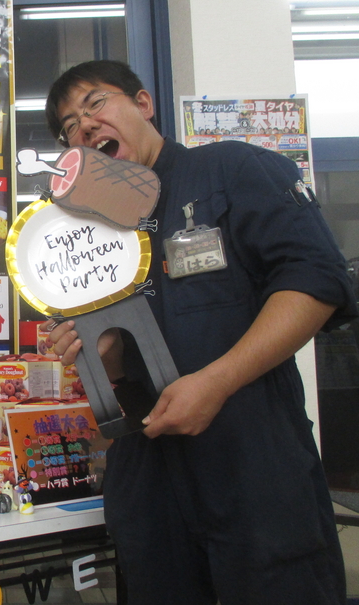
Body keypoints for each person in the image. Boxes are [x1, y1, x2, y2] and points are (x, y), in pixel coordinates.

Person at [42, 60, 356, 604]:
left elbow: (316, 280)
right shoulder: (91, 234)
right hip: (148, 476)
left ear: (144, 104)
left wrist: (217, 381)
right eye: (70, 126)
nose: (85, 127)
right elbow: (121, 358)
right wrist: (98, 352)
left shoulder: (231, 170)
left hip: (253, 463)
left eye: (96, 104)